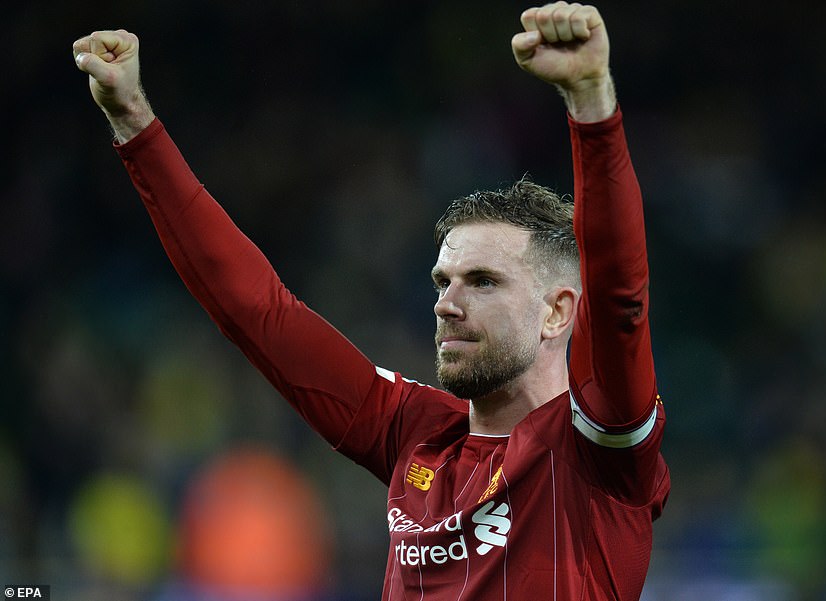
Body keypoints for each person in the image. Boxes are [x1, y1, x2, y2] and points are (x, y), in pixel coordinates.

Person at [73, 2, 670, 599]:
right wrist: (134, 123)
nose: (447, 304)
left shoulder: (597, 447)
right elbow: (257, 310)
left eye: (483, 281)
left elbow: (620, 297)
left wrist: (591, 106)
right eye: (442, 281)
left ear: (557, 312)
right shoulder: (416, 434)